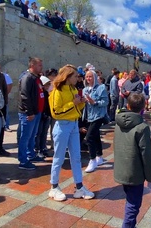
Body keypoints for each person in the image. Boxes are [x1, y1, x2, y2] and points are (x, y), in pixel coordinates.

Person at [48, 64, 94, 202]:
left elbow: (75, 108)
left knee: (76, 157)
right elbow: (56, 112)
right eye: (74, 76)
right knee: (59, 158)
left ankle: (79, 187)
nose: (77, 78)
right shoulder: (57, 90)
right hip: (62, 126)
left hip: (73, 124)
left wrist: (81, 102)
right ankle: (54, 187)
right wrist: (73, 103)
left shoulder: (72, 89)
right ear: (67, 77)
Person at [114, 93, 151, 228]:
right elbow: (147, 155)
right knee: (134, 204)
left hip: (121, 169)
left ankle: (131, 225)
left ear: (127, 105)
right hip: (135, 173)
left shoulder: (118, 123)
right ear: (143, 107)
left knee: (130, 199)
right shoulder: (142, 127)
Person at [17, 57, 44, 170]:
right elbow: (25, 96)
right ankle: (23, 161)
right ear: (32, 65)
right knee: (25, 136)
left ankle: (30, 154)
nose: (41, 67)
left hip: (37, 112)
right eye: (39, 65)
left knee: (32, 136)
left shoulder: (36, 78)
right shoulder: (27, 78)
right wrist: (29, 112)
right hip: (29, 113)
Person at [82, 70, 108, 173]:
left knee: (89, 137)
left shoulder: (101, 88)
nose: (88, 79)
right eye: (87, 77)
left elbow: (105, 102)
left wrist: (95, 102)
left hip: (98, 116)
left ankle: (92, 160)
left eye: (90, 77)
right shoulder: (85, 90)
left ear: (95, 77)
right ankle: (99, 157)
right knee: (96, 136)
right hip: (89, 116)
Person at [35, 75, 51, 158]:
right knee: (38, 133)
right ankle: (38, 149)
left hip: (46, 116)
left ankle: (43, 148)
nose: (48, 86)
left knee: (44, 133)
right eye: (47, 85)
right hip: (40, 116)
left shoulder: (46, 93)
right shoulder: (40, 93)